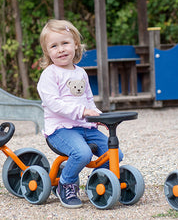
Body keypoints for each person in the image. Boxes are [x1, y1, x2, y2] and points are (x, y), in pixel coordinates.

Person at [37, 19, 122, 208]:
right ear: (47, 51)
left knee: (115, 154)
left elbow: (88, 100)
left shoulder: (81, 73)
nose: (60, 49)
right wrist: (82, 112)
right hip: (60, 130)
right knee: (82, 154)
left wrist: (97, 116)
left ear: (75, 44)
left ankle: (97, 181)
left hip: (85, 127)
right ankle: (65, 183)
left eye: (65, 43)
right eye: (54, 46)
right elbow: (54, 104)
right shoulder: (50, 75)